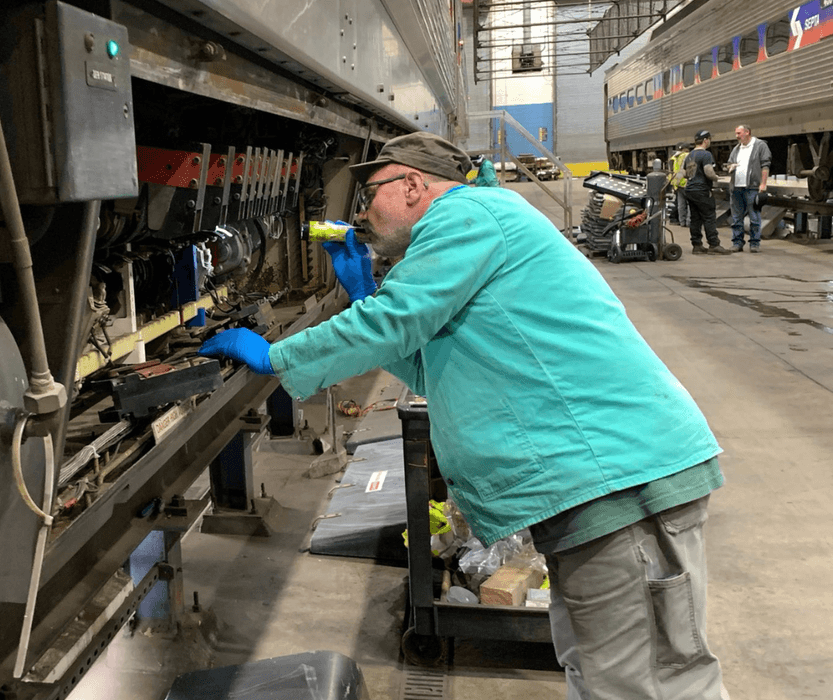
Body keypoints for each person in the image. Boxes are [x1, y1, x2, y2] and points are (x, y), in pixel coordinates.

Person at [198, 131, 728, 700]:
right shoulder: (477, 222)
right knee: (601, 672)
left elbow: (396, 323)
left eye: (368, 195)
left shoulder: (467, 216)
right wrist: (364, 294)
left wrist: (277, 356)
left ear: (411, 184)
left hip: (620, 485)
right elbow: (433, 369)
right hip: (601, 482)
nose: (362, 214)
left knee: (642, 684)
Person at [685, 130, 731, 255]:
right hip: (702, 191)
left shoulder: (689, 155)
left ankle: (697, 245)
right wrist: (716, 178)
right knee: (709, 217)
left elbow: (686, 174)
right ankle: (714, 244)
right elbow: (708, 171)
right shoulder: (706, 155)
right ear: (706, 140)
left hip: (690, 190)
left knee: (695, 219)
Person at [726, 124, 770, 252]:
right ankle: (737, 243)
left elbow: (765, 165)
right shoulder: (736, 149)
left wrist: (763, 183)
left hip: (752, 187)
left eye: (739, 133)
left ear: (747, 132)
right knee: (736, 217)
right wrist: (730, 167)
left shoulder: (760, 146)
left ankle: (754, 244)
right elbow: (729, 163)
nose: (737, 136)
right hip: (736, 188)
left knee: (754, 217)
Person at [668, 143, 690, 227]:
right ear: (685, 149)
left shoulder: (673, 157)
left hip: (676, 183)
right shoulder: (687, 156)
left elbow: (671, 171)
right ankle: (688, 222)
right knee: (689, 204)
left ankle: (682, 222)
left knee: (680, 204)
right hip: (685, 182)